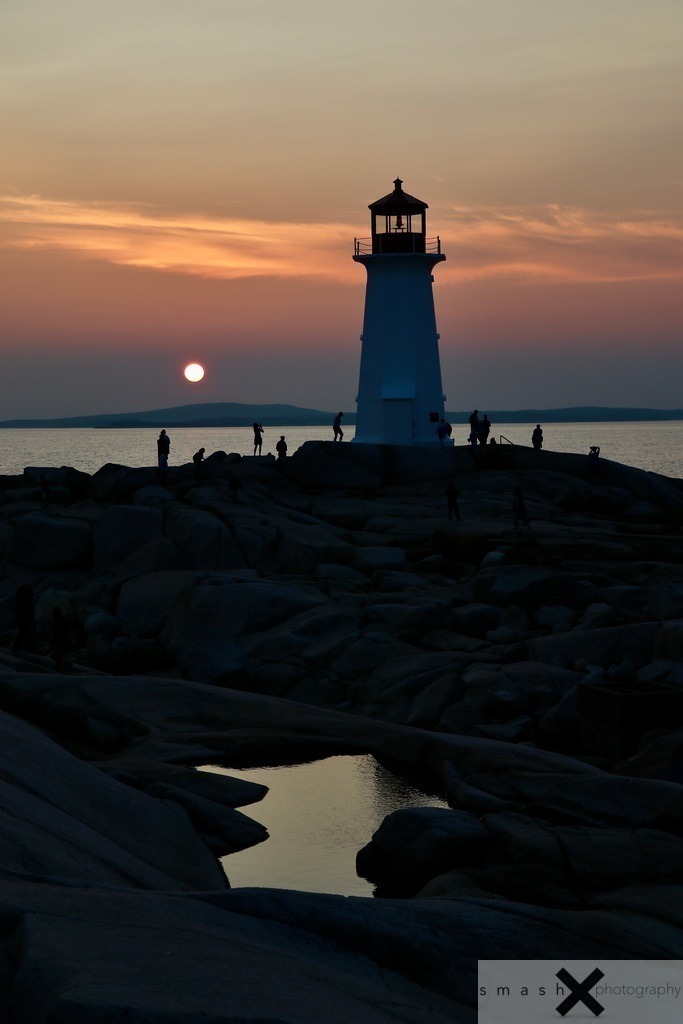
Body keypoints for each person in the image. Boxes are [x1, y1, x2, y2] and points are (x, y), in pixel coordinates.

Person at [13, 582, 36, 653]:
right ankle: (26, 648)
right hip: (25, 618)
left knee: (24, 633)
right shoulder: (24, 599)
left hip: (23, 618)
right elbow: (27, 609)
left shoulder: (21, 598)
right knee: (26, 633)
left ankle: (22, 647)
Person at [50, 606, 72, 671]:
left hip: (60, 642)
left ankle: (64, 670)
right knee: (56, 656)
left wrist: (52, 643)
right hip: (64, 641)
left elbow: (56, 634)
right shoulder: (62, 620)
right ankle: (67, 665)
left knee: (56, 657)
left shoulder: (57, 621)